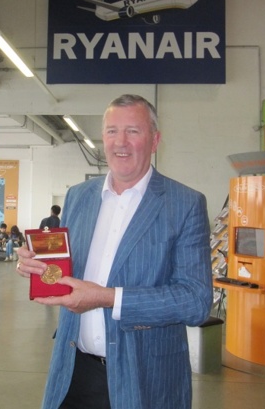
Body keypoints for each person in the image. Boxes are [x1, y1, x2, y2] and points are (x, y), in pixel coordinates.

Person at [16, 94, 212, 409]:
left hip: (145, 376)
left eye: (133, 131)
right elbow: (65, 271)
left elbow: (195, 301)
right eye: (111, 131)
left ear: (155, 140)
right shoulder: (78, 197)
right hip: (73, 371)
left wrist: (109, 298)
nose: (120, 142)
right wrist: (36, 264)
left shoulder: (184, 204)